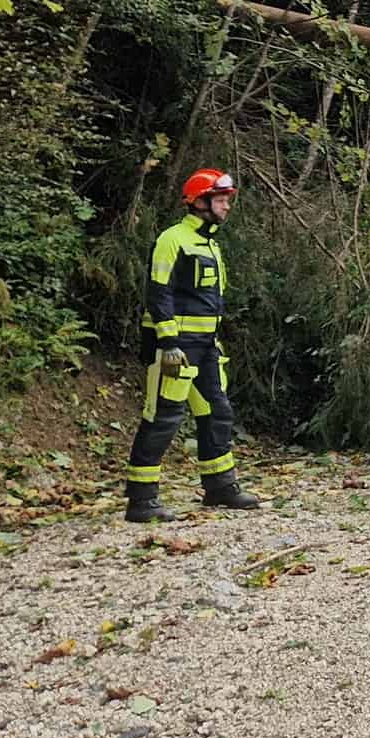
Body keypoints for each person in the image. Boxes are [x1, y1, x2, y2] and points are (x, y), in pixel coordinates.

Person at [122, 168, 262, 522]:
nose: (226, 207)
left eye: (227, 200)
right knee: (163, 417)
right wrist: (168, 341)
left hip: (205, 346)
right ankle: (141, 500)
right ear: (199, 202)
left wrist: (211, 341)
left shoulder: (210, 243)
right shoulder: (173, 239)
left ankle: (220, 486)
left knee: (217, 412)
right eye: (220, 200)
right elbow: (158, 292)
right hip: (175, 347)